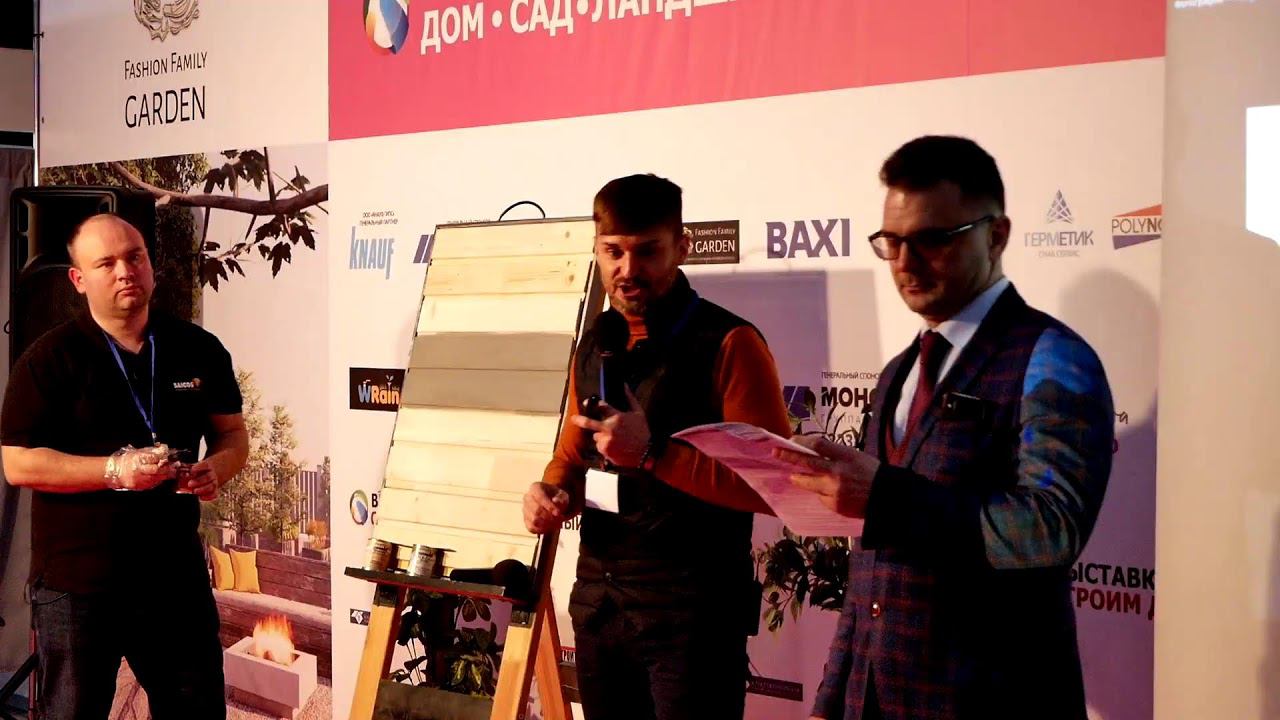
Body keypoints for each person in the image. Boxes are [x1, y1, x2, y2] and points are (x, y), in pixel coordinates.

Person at [777, 136, 1115, 720]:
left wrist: (885, 497)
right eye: (892, 242)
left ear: (997, 235)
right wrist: (831, 699)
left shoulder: (1052, 357)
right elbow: (869, 567)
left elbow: (1051, 529)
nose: (905, 263)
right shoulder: (897, 373)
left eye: (932, 240)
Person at [522, 174, 791, 719]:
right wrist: (551, 493)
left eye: (646, 251)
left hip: (692, 622)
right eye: (613, 252)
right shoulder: (595, 342)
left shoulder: (731, 344)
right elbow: (572, 456)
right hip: (600, 609)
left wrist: (651, 454)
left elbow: (774, 486)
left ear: (682, 247)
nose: (627, 269)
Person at [1, 214, 248, 720]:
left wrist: (217, 467)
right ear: (79, 279)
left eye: (134, 257)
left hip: (174, 581)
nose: (125, 271)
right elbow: (18, 464)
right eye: (106, 263)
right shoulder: (47, 359)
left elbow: (233, 434)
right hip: (77, 587)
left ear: (150, 266)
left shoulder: (198, 349)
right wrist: (115, 472)